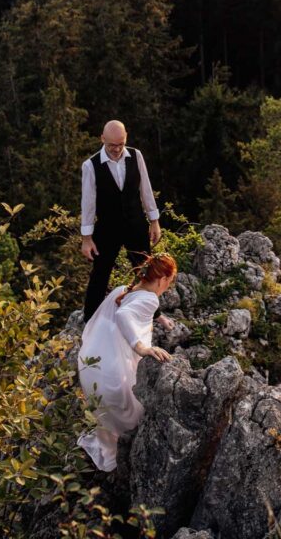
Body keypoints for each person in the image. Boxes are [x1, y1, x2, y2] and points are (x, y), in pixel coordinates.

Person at [77, 253, 177, 472]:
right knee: (139, 417)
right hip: (109, 377)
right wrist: (140, 347)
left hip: (89, 367)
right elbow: (124, 314)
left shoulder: (122, 290)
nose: (167, 288)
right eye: (169, 283)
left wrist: (158, 318)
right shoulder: (151, 299)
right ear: (162, 279)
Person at [81, 120, 162, 322]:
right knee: (100, 274)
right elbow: (88, 203)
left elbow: (146, 189)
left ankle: (154, 314)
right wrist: (86, 238)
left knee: (145, 269)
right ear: (102, 139)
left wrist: (154, 221)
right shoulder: (90, 165)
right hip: (107, 228)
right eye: (112, 145)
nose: (117, 149)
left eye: (121, 144)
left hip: (135, 224)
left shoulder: (136, 156)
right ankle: (89, 320)